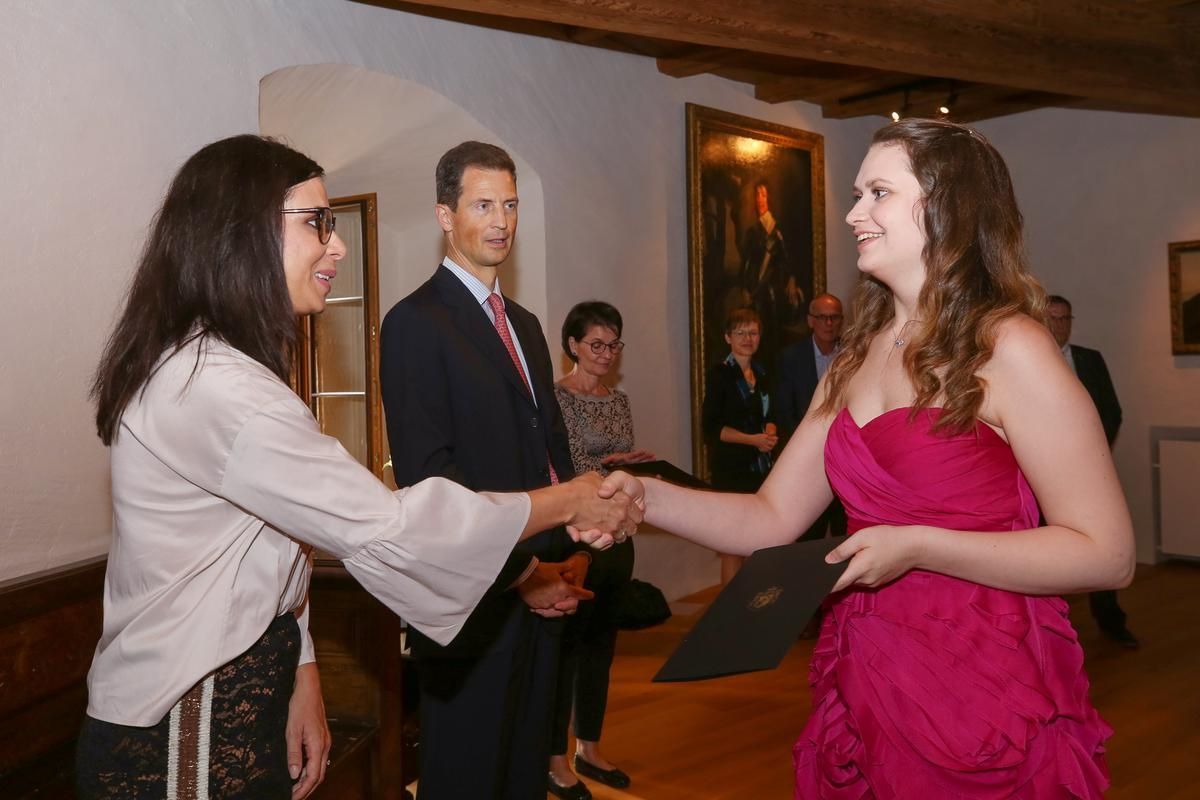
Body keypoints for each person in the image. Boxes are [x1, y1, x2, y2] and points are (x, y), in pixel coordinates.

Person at [78, 135, 638, 800]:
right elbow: (393, 528)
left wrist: (302, 669)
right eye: (316, 222)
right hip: (187, 722)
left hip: (233, 694)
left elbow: (272, 546)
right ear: (241, 233)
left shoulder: (220, 368)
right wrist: (569, 501)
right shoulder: (219, 388)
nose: (337, 246)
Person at [608, 119, 1135, 797]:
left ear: (946, 209)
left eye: (877, 193)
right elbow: (770, 517)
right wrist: (643, 495)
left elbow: (1106, 553)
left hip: (979, 673)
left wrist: (918, 545)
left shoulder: (1010, 349)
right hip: (868, 663)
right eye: (858, 195)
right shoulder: (852, 360)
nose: (854, 213)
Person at [379, 141, 601, 799]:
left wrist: (573, 545)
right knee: (467, 781)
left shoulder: (525, 326)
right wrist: (523, 574)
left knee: (522, 777)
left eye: (510, 205)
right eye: (483, 205)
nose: (501, 221)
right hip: (472, 607)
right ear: (445, 215)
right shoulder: (414, 322)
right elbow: (430, 480)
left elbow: (550, 450)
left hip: (542, 597)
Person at [548, 301, 653, 799]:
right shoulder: (556, 397)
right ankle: (553, 758)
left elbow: (617, 458)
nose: (607, 353)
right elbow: (560, 467)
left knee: (600, 647)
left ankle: (588, 748)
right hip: (575, 535)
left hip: (618, 534)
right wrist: (608, 463)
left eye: (614, 345)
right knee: (564, 648)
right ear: (573, 345)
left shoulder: (619, 399)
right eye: (597, 344)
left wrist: (630, 464)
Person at [1048, 294, 1139, 648]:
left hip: (1088, 473)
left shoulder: (1090, 359)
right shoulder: (1028, 359)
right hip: (1040, 474)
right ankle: (1052, 629)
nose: (1058, 325)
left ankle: (1111, 622)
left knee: (1102, 546)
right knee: (1049, 552)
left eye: (1064, 318)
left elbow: (1112, 411)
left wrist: (1092, 456)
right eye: (1051, 318)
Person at [703, 306, 778, 583]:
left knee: (758, 545)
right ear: (727, 337)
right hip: (731, 470)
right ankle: (729, 607)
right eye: (740, 332)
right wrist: (753, 440)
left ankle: (753, 603)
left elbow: (771, 414)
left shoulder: (762, 373)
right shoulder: (719, 374)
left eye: (753, 333)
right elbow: (712, 429)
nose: (748, 338)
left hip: (760, 469)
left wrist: (769, 433)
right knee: (732, 546)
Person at [775, 294, 847, 549]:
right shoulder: (791, 358)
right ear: (810, 321)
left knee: (844, 536)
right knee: (808, 540)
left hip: (846, 461)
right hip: (808, 462)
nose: (829, 323)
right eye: (822, 317)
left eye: (834, 317)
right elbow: (785, 410)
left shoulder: (853, 355)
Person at [740, 180, 805, 361]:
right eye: (757, 195)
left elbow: (788, 259)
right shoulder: (753, 232)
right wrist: (745, 288)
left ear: (769, 198)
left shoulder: (779, 230)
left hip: (775, 291)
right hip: (757, 292)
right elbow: (747, 263)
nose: (760, 199)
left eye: (763, 195)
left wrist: (792, 279)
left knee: (774, 336)